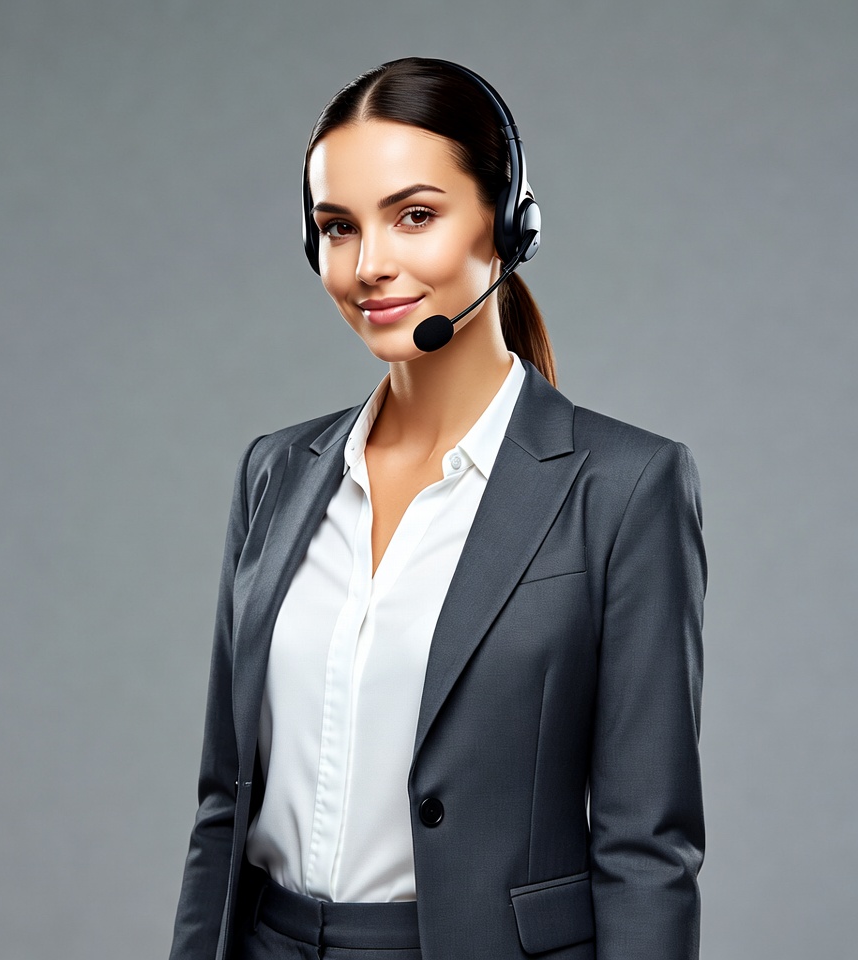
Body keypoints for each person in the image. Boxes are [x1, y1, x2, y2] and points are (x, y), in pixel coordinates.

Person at [169, 57, 706, 960]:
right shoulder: (276, 472)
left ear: (505, 225)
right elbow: (224, 804)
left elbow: (647, 849)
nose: (370, 264)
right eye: (337, 227)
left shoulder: (624, 487)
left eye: (414, 215)